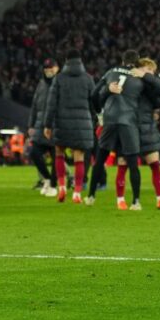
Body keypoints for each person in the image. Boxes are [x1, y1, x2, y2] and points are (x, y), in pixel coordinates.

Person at [87, 49, 148, 210]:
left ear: (122, 61)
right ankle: (136, 201)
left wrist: (100, 111)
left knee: (100, 160)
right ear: (137, 61)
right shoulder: (138, 76)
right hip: (129, 121)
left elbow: (94, 94)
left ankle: (91, 196)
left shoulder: (111, 72)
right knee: (133, 163)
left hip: (110, 120)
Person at [42, 50, 95, 204]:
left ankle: (62, 186)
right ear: (80, 61)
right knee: (79, 157)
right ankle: (77, 192)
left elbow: (51, 104)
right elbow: (94, 103)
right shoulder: (88, 79)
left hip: (61, 123)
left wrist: (47, 124)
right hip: (82, 123)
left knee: (59, 153)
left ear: (66, 61)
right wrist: (95, 121)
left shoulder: (58, 79)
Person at [120, 57, 160, 210]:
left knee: (155, 164)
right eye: (149, 70)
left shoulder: (149, 85)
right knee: (124, 165)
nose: (152, 74)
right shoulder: (129, 81)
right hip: (129, 127)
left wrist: (145, 76)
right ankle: (121, 200)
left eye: (153, 72)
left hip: (147, 128)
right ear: (141, 68)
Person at [28, 59, 59, 195]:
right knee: (34, 153)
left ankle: (53, 185)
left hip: (55, 126)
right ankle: (47, 178)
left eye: (50, 69)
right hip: (40, 126)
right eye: (46, 69)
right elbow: (35, 105)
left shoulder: (61, 83)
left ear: (57, 68)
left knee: (56, 158)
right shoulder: (41, 84)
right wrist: (31, 124)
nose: (48, 72)